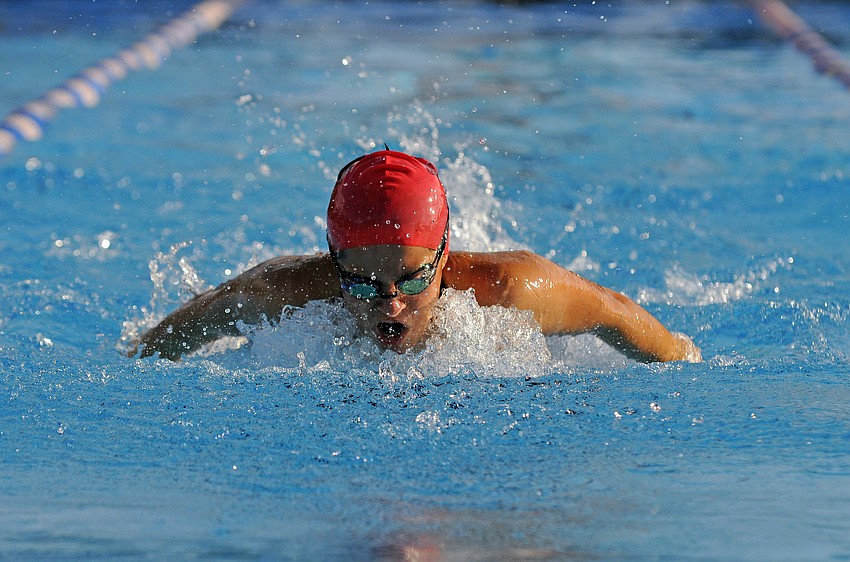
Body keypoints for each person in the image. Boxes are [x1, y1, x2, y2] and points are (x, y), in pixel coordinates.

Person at [131, 149, 701, 363]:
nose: (390, 304)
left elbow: (613, 310)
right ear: (334, 262)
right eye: (360, 282)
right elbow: (184, 329)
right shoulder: (279, 291)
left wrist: (682, 360)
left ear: (444, 255)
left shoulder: (509, 290)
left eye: (410, 278)